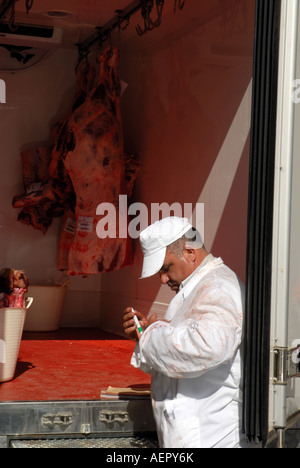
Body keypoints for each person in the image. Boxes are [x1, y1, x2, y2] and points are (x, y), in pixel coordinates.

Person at [123, 216, 246, 448]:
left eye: (166, 268)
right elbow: (185, 341)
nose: (162, 278)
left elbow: (205, 347)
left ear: (190, 252)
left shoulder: (219, 287)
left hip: (212, 438)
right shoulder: (199, 287)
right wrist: (146, 332)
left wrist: (152, 333)